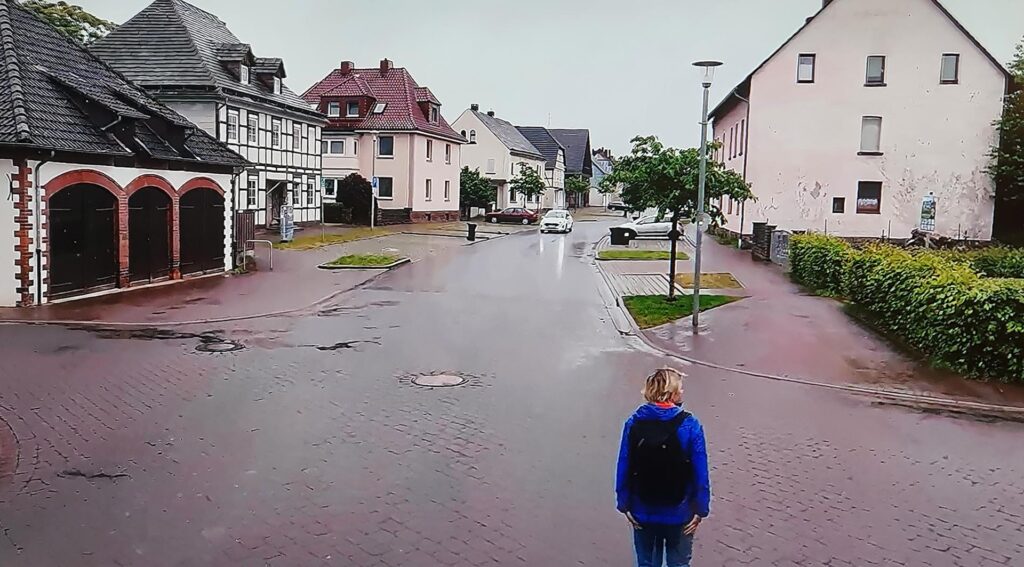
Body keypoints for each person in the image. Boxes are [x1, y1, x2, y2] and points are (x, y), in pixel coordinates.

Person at [615, 368, 710, 567]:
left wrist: (624, 504)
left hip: (643, 509)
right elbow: (700, 472)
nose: (682, 392)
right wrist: (701, 510)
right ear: (672, 393)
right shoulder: (690, 425)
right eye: (680, 389)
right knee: (678, 563)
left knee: (647, 563)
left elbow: (624, 463)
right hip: (680, 512)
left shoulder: (633, 423)